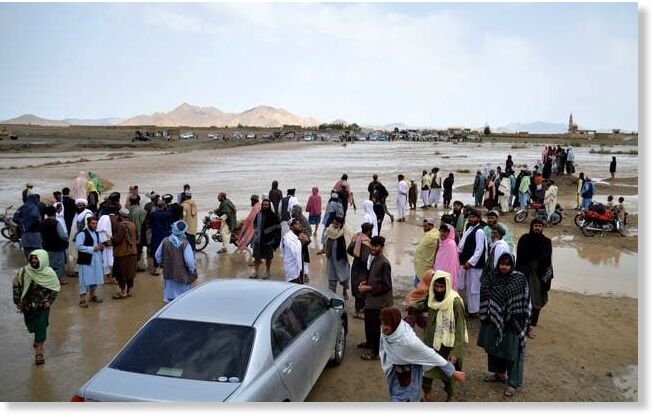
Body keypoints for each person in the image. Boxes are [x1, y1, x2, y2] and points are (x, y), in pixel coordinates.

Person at [379, 306, 465, 402]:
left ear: (393, 322)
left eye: (386, 324)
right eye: (382, 324)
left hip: (409, 379)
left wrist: (453, 372)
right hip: (395, 375)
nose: (383, 328)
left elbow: (431, 355)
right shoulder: (390, 332)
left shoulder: (409, 342)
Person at [408, 271, 468, 401]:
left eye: (442, 287)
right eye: (437, 286)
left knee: (448, 372)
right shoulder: (432, 296)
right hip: (431, 341)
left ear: (447, 286)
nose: (439, 290)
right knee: (426, 370)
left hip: (447, 345)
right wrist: (411, 306)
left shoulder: (455, 302)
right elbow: (424, 305)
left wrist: (455, 352)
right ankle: (427, 395)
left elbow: (460, 329)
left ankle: (450, 396)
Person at [477, 253, 531, 398]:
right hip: (493, 319)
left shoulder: (518, 279)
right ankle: (499, 373)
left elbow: (524, 302)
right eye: (502, 263)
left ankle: (513, 383)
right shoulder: (491, 277)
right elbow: (485, 292)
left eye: (507, 264)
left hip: (513, 322)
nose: (504, 267)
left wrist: (527, 325)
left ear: (512, 265)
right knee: (494, 348)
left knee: (512, 353)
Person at [12, 250, 61, 366]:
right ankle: (38, 338)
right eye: (32, 258)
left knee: (41, 326)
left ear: (43, 259)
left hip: (42, 306)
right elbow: (16, 285)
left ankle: (39, 352)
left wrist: (50, 302)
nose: (33, 261)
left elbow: (55, 288)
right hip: (27, 306)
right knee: (31, 326)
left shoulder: (49, 273)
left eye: (36, 258)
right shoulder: (24, 271)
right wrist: (17, 301)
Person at [516, 219, 553, 339]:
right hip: (525, 273)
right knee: (526, 300)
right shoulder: (524, 239)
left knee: (537, 299)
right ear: (531, 226)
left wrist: (546, 276)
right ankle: (526, 326)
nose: (537, 228)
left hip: (539, 275)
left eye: (540, 226)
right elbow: (520, 258)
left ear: (542, 228)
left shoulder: (546, 242)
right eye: (535, 225)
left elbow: (547, 260)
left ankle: (532, 323)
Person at [357, 236, 393, 361]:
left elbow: (387, 286)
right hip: (371, 299)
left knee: (375, 327)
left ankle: (376, 352)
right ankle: (369, 343)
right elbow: (374, 277)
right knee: (368, 323)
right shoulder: (374, 259)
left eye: (376, 246)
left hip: (380, 302)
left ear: (381, 248)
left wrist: (369, 288)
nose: (372, 248)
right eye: (372, 245)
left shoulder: (384, 263)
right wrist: (365, 282)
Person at [155, 220, 198, 303]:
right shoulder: (185, 244)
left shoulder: (165, 241)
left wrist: (163, 264)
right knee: (183, 300)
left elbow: (157, 256)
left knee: (168, 300)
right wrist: (192, 270)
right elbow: (190, 261)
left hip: (168, 273)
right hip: (182, 276)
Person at [457, 208, 487, 316]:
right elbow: (462, 244)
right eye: (470, 217)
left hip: (474, 266)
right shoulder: (469, 228)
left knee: (474, 288)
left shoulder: (479, 231)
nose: (471, 219)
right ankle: (469, 307)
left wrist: (470, 262)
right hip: (466, 263)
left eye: (474, 217)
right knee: (465, 286)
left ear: (478, 218)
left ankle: (474, 310)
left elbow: (479, 250)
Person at [75, 216, 105, 308]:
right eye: (93, 223)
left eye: (96, 223)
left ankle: (92, 296)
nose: (95, 225)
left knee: (94, 277)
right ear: (88, 224)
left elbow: (96, 244)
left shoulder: (96, 233)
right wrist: (93, 248)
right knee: (84, 280)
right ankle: (82, 300)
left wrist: (100, 247)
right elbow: (79, 246)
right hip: (86, 260)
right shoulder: (82, 234)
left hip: (96, 259)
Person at [250, 198, 282, 279]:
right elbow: (254, 223)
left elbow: (278, 228)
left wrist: (276, 241)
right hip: (258, 240)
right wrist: (256, 232)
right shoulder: (259, 214)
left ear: (269, 206)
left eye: (266, 205)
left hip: (268, 241)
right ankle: (256, 272)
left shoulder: (273, 216)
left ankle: (267, 272)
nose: (265, 206)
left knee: (268, 258)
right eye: (263, 204)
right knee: (256, 257)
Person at [111, 208, 138, 299]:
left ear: (120, 216)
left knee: (121, 273)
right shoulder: (133, 224)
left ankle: (123, 291)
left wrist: (111, 239)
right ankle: (128, 291)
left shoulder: (120, 226)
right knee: (130, 273)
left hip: (122, 253)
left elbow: (117, 239)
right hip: (133, 252)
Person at [348, 222, 373, 319]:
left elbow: (349, 250)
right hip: (362, 269)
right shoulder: (366, 242)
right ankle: (361, 312)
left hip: (355, 266)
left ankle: (356, 311)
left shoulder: (357, 237)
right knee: (362, 289)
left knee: (356, 288)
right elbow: (365, 259)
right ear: (368, 231)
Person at [40, 206, 68, 285]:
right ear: (55, 213)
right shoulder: (56, 223)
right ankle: (58, 279)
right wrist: (67, 237)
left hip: (47, 246)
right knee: (59, 263)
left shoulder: (42, 223)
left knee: (50, 263)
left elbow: (41, 235)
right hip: (57, 247)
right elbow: (62, 236)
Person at [325, 216, 351, 299]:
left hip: (342, 259)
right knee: (331, 277)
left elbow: (348, 244)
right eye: (334, 222)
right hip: (331, 259)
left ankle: (344, 291)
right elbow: (326, 241)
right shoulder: (329, 230)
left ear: (341, 223)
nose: (335, 224)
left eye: (337, 223)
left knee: (344, 277)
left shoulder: (345, 232)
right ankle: (333, 295)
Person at [281, 218, 309, 284]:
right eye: (297, 224)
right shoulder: (288, 237)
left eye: (300, 224)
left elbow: (303, 253)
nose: (299, 225)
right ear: (291, 226)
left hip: (299, 266)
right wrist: (301, 241)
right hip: (292, 268)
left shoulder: (298, 236)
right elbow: (295, 252)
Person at [14, 193, 43, 258]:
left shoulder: (22, 207)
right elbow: (35, 217)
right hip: (35, 236)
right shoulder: (34, 208)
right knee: (37, 255)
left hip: (24, 236)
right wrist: (29, 224)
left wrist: (23, 223)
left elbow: (15, 218)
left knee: (28, 255)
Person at [413, 218, 439, 287]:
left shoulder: (432, 235)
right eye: (423, 226)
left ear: (431, 226)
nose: (423, 228)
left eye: (425, 226)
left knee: (420, 285)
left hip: (425, 264)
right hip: (422, 263)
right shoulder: (431, 234)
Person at [434, 224, 460, 290]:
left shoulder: (451, 244)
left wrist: (445, 274)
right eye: (441, 231)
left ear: (449, 233)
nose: (442, 233)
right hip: (438, 269)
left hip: (447, 272)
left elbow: (452, 264)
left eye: (444, 232)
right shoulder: (441, 242)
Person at [149, 201, 172, 275]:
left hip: (156, 234)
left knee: (155, 250)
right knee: (165, 250)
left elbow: (150, 223)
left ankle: (156, 267)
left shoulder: (153, 214)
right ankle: (164, 265)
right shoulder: (167, 214)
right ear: (164, 206)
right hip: (165, 234)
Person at [291, 205, 312, 282]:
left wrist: (303, 238)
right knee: (300, 258)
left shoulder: (302, 220)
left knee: (304, 259)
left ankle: (306, 275)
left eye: (294, 211)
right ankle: (301, 274)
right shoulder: (297, 219)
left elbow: (308, 231)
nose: (292, 212)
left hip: (304, 242)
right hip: (300, 241)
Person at [127, 195, 147, 271]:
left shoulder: (127, 210)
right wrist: (138, 236)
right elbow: (139, 225)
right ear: (138, 201)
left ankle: (132, 266)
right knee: (138, 250)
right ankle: (135, 267)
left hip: (129, 234)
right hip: (138, 234)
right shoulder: (141, 211)